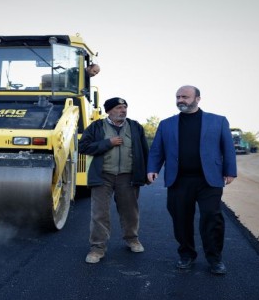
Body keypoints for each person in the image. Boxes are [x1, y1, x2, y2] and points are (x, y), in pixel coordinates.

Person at [147, 85, 237, 275]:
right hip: (179, 180)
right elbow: (157, 149)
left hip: (208, 180)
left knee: (212, 218)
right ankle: (186, 254)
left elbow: (228, 148)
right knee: (181, 219)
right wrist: (152, 168)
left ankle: (215, 259)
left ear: (197, 98)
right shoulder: (166, 124)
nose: (181, 100)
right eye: (178, 97)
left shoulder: (218, 121)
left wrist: (230, 171)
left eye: (185, 97)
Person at [79, 97, 150, 264]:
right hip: (102, 175)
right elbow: (83, 147)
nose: (123, 110)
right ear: (109, 111)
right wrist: (107, 143)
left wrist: (147, 173)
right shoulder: (96, 127)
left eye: (124, 107)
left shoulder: (135, 127)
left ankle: (132, 239)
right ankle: (97, 248)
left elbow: (144, 150)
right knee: (99, 213)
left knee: (130, 211)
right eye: (118, 108)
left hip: (128, 176)